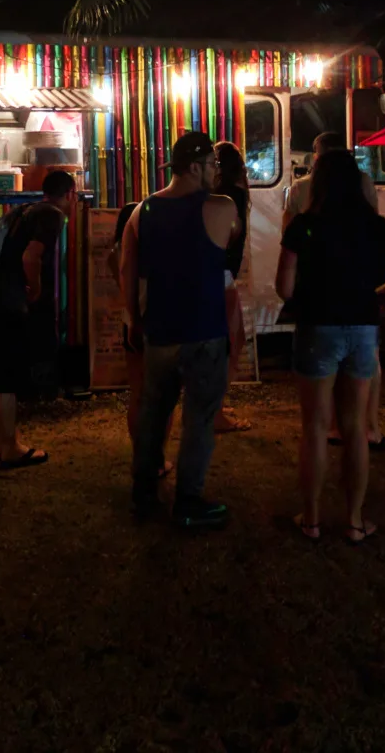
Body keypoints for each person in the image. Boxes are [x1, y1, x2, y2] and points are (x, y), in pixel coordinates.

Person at [276, 149, 385, 542]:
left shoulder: (303, 225)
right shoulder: (374, 225)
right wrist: (377, 296)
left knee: (315, 428)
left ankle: (312, 520)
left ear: (317, 184)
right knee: (355, 428)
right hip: (362, 329)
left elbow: (284, 287)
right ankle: (354, 521)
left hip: (316, 328)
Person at [121, 132, 239, 530]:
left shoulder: (143, 210)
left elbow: (127, 269)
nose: (215, 173)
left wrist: (134, 320)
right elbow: (231, 238)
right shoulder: (220, 207)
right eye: (211, 166)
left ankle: (143, 493)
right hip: (203, 331)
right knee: (199, 420)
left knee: (154, 415)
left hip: (159, 331)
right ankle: (188, 502)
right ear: (195, 168)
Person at [284, 131, 385, 451]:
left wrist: (300, 297)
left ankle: (330, 432)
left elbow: (285, 272)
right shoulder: (367, 192)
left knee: (314, 424)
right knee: (357, 417)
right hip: (360, 305)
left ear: (317, 157)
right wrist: (379, 295)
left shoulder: (300, 199)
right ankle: (370, 429)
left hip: (317, 308)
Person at [0, 170, 77, 469]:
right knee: (5, 376)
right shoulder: (52, 215)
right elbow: (31, 257)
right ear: (70, 193)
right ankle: (12, 449)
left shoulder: (23, 210)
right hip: (6, 300)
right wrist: (36, 288)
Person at [108, 203, 174, 476]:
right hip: (160, 322)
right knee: (163, 396)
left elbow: (122, 281)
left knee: (138, 394)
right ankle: (157, 459)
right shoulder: (161, 250)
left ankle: (141, 456)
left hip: (130, 320)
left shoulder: (117, 254)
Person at [212, 141, 253, 434]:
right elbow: (230, 233)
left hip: (216, 272)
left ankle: (216, 404)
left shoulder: (212, 193)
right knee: (231, 342)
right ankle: (215, 412)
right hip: (221, 273)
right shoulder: (234, 195)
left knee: (227, 340)